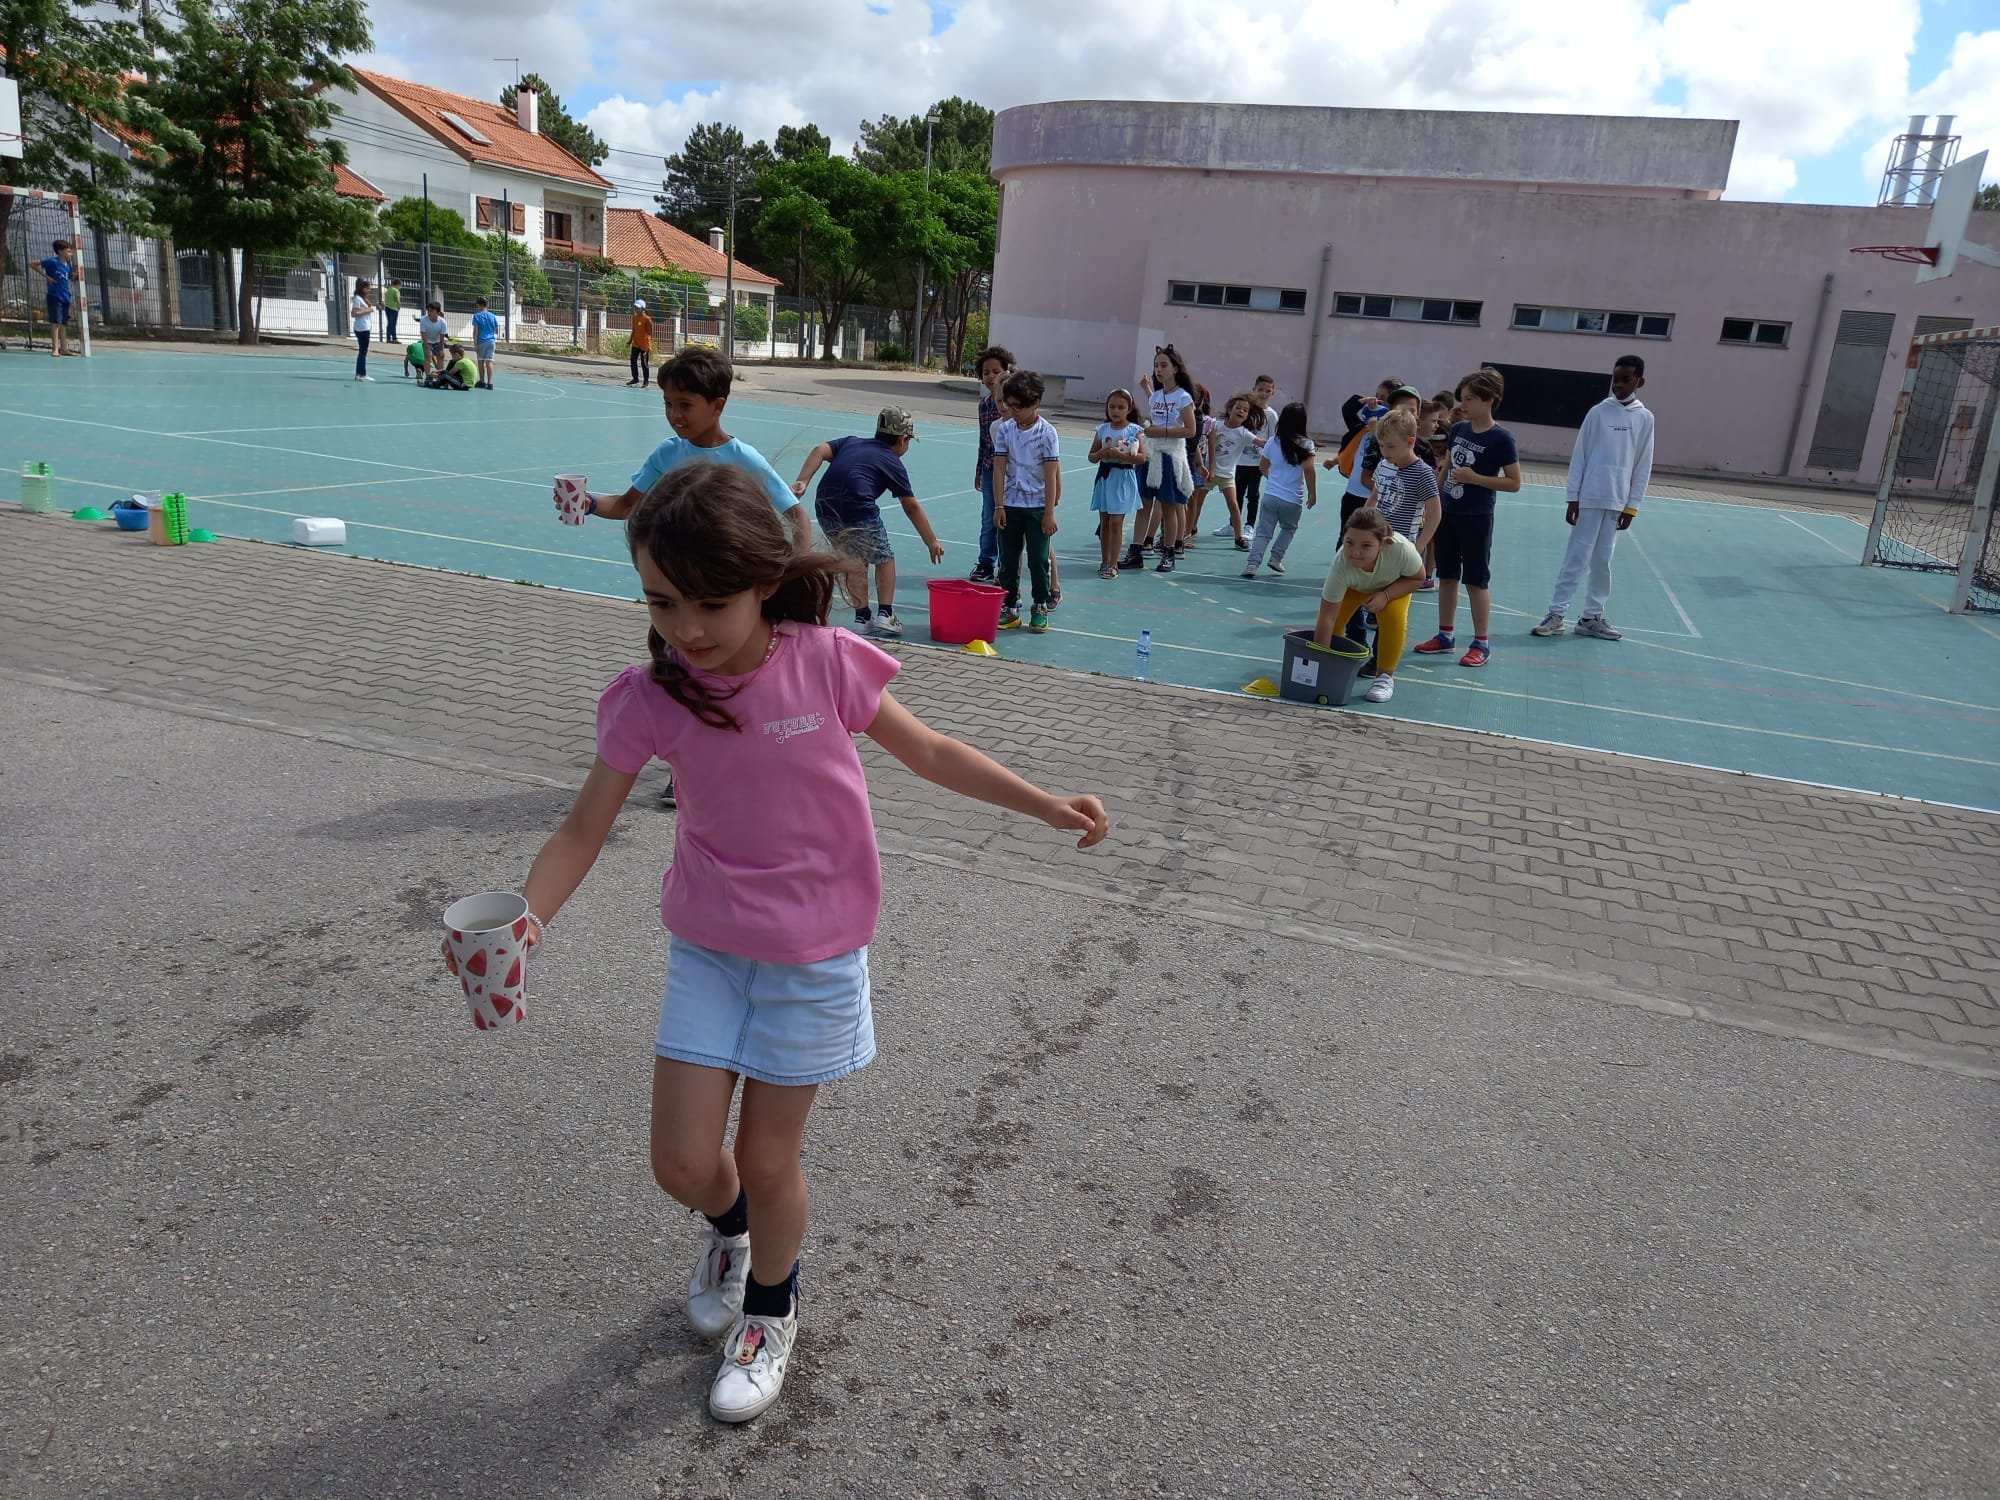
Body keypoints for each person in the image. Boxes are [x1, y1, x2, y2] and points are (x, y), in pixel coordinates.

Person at [447, 463, 1109, 1425]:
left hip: (814, 957)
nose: (686, 628)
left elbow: (929, 751)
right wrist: (528, 919)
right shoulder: (651, 696)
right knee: (680, 1163)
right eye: (662, 602)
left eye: (711, 603)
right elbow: (583, 827)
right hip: (710, 950)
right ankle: (735, 1235)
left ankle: (772, 1307)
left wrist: (1045, 805)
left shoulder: (824, 659)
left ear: (765, 580)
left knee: (766, 1157)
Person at [567, 348, 812, 553]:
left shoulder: (743, 458)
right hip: (680, 579)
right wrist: (587, 502)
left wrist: (798, 572)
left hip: (728, 583)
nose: (675, 415)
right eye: (668, 403)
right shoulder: (666, 453)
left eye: (685, 405)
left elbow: (797, 516)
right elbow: (626, 505)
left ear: (717, 406)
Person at [788, 406, 944, 638]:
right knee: (884, 558)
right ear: (903, 439)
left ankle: (862, 618)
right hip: (858, 507)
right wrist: (930, 540)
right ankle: (886, 615)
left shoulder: (851, 442)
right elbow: (910, 505)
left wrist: (802, 480)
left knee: (853, 561)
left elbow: (819, 449)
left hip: (826, 505)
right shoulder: (892, 461)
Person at [1533, 354, 1655, 642]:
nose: (1619, 385)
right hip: (1589, 498)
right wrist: (1573, 497)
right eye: (1616, 379)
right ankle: (1556, 613)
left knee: (1602, 560)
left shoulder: (1645, 418)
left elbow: (1643, 465)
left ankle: (1591, 616)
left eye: (1626, 380)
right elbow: (1580, 456)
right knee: (1576, 557)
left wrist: (1632, 506)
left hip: (1616, 502)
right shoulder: (1598, 412)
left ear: (1640, 382)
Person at [1414, 367, 1521, 669]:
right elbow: (1446, 467)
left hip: (1476, 516)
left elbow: (1514, 482)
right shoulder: (1459, 430)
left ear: (1489, 400)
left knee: (1476, 580)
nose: (1463, 405)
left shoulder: (1502, 439)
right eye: (1462, 399)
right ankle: (1445, 635)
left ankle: (1481, 642)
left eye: (1470, 399)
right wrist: (1434, 497)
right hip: (1449, 512)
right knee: (1447, 576)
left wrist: (1476, 478)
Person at [1357, 409, 1443, 667]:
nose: (1385, 452)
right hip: (1374, 546)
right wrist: (1362, 522)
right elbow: (1375, 496)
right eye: (1382, 445)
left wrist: (1418, 547)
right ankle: (1357, 641)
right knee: (1357, 596)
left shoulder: (1422, 473)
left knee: (1389, 609)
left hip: (1400, 548)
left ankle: (1379, 660)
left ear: (1410, 442)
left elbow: (1435, 513)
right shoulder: (1384, 465)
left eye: (1391, 446)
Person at [1314, 506, 1426, 704]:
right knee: (1336, 620)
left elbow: (1418, 578)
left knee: (1393, 619)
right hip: (1355, 586)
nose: (1355, 552)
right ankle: (1333, 665)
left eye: (1366, 545)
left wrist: (1385, 595)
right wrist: (1320, 665)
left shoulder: (1401, 550)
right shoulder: (1340, 564)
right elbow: (1326, 618)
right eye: (1349, 542)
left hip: (1392, 585)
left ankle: (1384, 677)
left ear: (1383, 543)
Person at [989, 369, 1062, 632]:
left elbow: (1051, 474)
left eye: (1019, 406)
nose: (1013, 411)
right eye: (1010, 405)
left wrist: (1049, 512)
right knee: (1008, 559)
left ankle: (1040, 606)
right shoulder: (1005, 430)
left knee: (1038, 560)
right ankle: (1010, 607)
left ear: (1035, 404)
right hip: (1010, 504)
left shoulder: (1047, 433)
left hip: (1037, 507)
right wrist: (998, 505)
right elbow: (998, 468)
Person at [1124, 346, 1198, 573]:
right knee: (1144, 505)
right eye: (1156, 365)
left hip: (1169, 457)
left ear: (1175, 368)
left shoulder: (1184, 397)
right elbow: (1157, 414)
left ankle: (1169, 553)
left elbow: (1191, 430)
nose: (1158, 369)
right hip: (1151, 455)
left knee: (1169, 508)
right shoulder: (1157, 395)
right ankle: (1135, 552)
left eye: (1164, 365)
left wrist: (1161, 431)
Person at [1241, 401, 1316, 578]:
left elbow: (1263, 466)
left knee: (1263, 532)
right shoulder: (1306, 444)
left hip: (1271, 496)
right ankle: (1276, 557)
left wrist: (1273, 479)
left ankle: (1252, 564)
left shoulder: (1273, 442)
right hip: (1292, 498)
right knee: (1289, 528)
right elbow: (1309, 470)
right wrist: (1312, 492)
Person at [1088, 389, 1146, 578]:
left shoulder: (1134, 430)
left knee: (1115, 522)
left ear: (1128, 409)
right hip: (1105, 478)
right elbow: (1091, 456)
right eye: (1112, 406)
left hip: (1122, 478)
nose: (1116, 411)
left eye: (1121, 407)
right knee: (1104, 521)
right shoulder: (1102, 429)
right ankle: (1105, 560)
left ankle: (1114, 563)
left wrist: (1121, 455)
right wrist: (1101, 454)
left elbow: (1141, 458)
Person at [967, 345, 1013, 583]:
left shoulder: (1016, 405)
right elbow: (983, 440)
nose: (991, 376)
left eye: (996, 371)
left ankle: (1008, 566)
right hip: (989, 469)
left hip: (1012, 473)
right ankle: (986, 562)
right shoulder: (984, 405)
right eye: (986, 372)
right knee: (989, 518)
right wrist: (979, 470)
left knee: (1010, 519)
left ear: (1007, 372)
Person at [1190, 391, 1254, 550]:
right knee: (1197, 503)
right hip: (1208, 472)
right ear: (1230, 409)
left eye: (1245, 410)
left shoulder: (1244, 433)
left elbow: (1261, 442)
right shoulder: (1216, 425)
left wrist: (1281, 442)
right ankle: (1191, 529)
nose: (1241, 411)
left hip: (1227, 476)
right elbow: (1206, 444)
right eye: (1238, 408)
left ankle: (1239, 537)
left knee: (1233, 504)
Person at [39, 240, 79, 358]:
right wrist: (47, 276)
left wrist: (76, 275)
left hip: (66, 296)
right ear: (60, 251)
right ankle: (55, 349)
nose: (70, 253)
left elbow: (69, 277)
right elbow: (32, 264)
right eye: (68, 251)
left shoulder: (68, 265)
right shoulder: (52, 262)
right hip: (54, 296)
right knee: (55, 323)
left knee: (63, 323)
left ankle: (64, 348)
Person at [470, 296, 499, 390]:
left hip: (481, 341)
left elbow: (476, 332)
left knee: (481, 362)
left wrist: (475, 344)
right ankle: (490, 383)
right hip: (491, 341)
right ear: (487, 305)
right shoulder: (493, 316)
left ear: (479, 305)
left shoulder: (477, 316)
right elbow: (496, 330)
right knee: (489, 362)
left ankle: (482, 381)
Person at [350, 277, 374, 381]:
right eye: (368, 288)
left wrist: (368, 308)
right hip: (362, 328)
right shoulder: (357, 299)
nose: (370, 290)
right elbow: (354, 313)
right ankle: (361, 374)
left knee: (363, 351)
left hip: (365, 326)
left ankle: (359, 373)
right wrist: (367, 310)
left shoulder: (362, 298)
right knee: (363, 351)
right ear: (363, 288)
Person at [418, 301, 449, 378]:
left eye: (432, 311)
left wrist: (441, 349)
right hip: (427, 341)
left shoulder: (443, 323)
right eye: (428, 311)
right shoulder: (423, 320)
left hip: (438, 341)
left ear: (438, 312)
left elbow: (442, 337)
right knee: (428, 356)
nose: (429, 313)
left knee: (441, 356)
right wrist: (427, 348)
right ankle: (428, 376)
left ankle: (440, 376)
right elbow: (423, 335)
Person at [629, 299, 655, 388]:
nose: (636, 309)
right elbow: (634, 330)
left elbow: (650, 333)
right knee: (633, 361)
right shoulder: (634, 318)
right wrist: (630, 341)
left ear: (643, 309)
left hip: (644, 345)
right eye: (635, 307)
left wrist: (647, 345)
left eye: (638, 308)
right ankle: (635, 379)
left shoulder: (647, 319)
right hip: (635, 343)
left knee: (644, 363)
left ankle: (646, 381)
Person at [382, 278, 403, 344]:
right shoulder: (396, 291)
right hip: (394, 309)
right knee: (393, 324)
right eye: (400, 285)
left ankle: (390, 338)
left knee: (390, 323)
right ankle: (393, 338)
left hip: (387, 308)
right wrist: (399, 306)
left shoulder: (388, 290)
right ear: (398, 285)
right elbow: (397, 299)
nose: (400, 287)